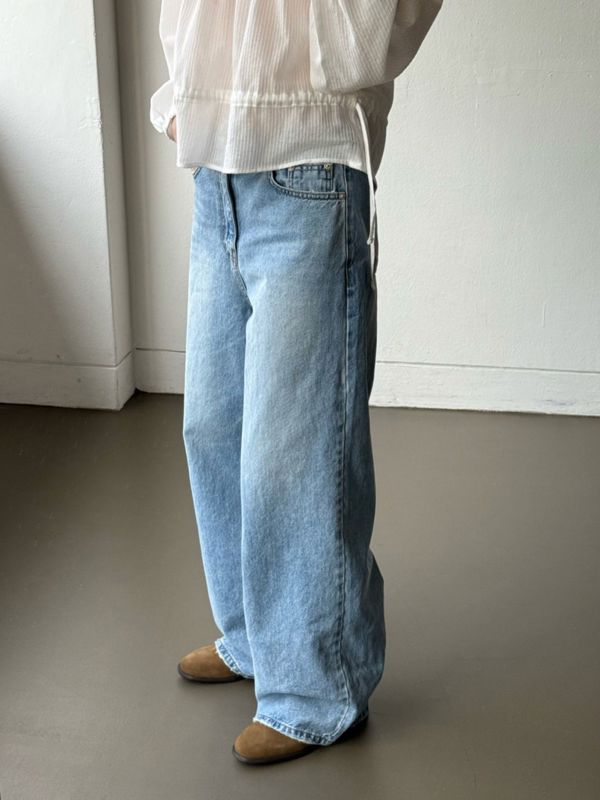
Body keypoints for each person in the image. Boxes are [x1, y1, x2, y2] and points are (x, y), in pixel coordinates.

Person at [150, 0, 443, 766]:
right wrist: (182, 97)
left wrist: (311, 82)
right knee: (213, 425)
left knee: (298, 448)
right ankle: (257, 637)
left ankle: (316, 689)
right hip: (217, 167)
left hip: (308, 161)